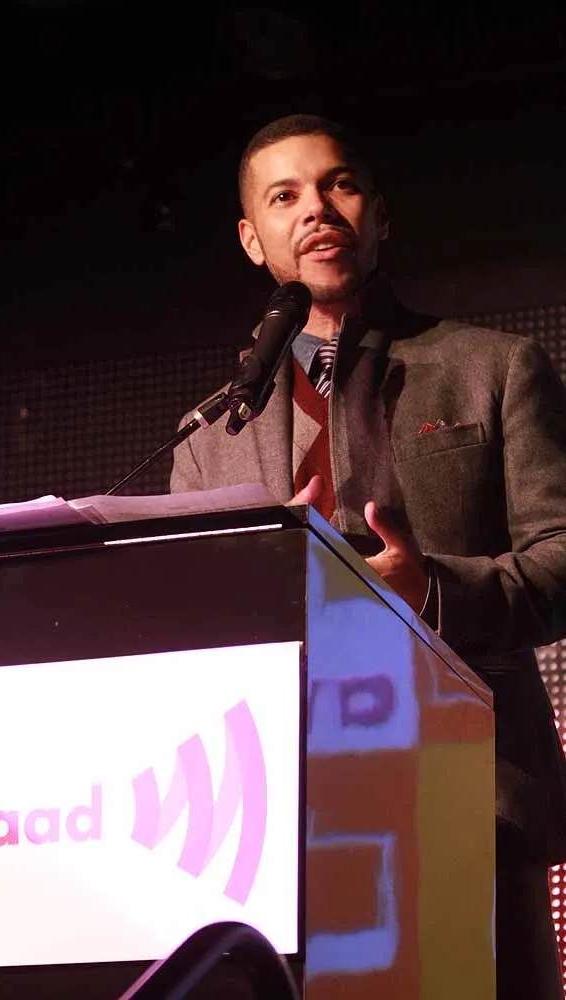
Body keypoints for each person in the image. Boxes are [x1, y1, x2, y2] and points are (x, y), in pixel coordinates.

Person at [169, 113, 566, 997]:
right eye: (284, 197)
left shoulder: (494, 368)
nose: (316, 209)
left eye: (338, 185)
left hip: (470, 798)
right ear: (252, 239)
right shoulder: (207, 438)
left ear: (379, 215)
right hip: (273, 825)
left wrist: (432, 593)